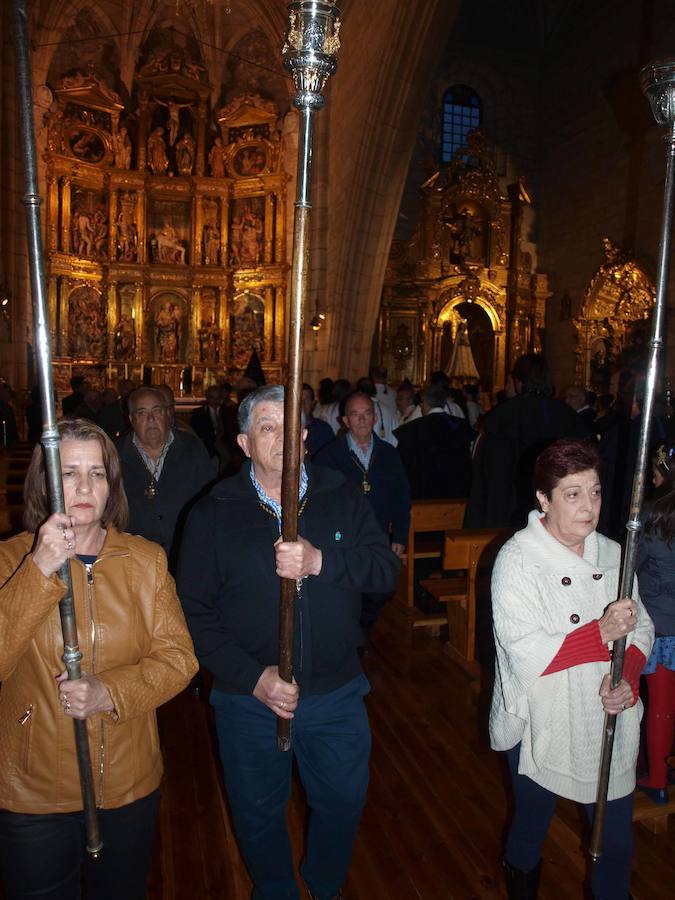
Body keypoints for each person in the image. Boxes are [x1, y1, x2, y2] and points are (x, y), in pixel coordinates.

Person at [178, 385, 400, 900]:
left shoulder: (342, 494)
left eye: (289, 427)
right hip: (248, 698)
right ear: (243, 441)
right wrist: (253, 678)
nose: (281, 438)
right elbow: (193, 613)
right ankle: (275, 889)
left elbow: (384, 569)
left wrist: (324, 563)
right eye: (266, 427)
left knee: (343, 801)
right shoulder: (212, 513)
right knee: (257, 812)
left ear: (305, 435)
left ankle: (324, 885)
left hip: (336, 691)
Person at [0, 418, 198, 900]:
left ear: (112, 485)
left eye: (96, 473)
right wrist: (40, 569)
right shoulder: (9, 561)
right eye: (68, 473)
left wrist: (110, 691)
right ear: (45, 482)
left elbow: (179, 659)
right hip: (34, 789)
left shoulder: (145, 561)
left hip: (127, 781)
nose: (84, 487)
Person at [490, 439, 653, 899]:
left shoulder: (613, 552)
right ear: (543, 499)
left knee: (614, 843)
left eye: (596, 492)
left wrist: (628, 677)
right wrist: (599, 632)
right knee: (531, 826)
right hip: (541, 719)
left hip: (605, 716)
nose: (589, 506)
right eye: (573, 493)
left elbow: (641, 626)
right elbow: (524, 652)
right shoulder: (518, 560)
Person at [315, 390, 410, 635]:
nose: (362, 420)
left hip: (379, 534)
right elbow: (320, 501)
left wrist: (400, 535)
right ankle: (350, 639)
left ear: (375, 418)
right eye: (355, 415)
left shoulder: (389, 453)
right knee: (348, 591)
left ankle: (361, 629)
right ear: (345, 421)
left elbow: (401, 495)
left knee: (380, 590)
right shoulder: (329, 455)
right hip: (344, 537)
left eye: (367, 414)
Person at [465, 353, 590, 529]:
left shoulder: (503, 416)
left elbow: (489, 476)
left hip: (508, 515)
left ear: (519, 382)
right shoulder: (567, 416)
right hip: (558, 516)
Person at [116, 387, 213, 571]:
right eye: (142, 413)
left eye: (157, 411)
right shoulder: (115, 454)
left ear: (168, 414)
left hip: (186, 559)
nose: (150, 419)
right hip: (134, 563)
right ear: (131, 419)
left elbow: (208, 502)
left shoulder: (192, 449)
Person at [635, 442, 675, 803]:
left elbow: (633, 563)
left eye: (655, 471)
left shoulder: (653, 513)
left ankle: (658, 777)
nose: (651, 476)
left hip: (662, 623)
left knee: (660, 704)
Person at [394, 382, 473, 500]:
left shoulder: (413, 429)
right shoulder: (459, 426)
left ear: (424, 403)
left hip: (422, 496)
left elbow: (402, 465)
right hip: (456, 495)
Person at [301, 383, 334, 459]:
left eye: (307, 399)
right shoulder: (284, 430)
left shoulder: (324, 430)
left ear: (313, 403)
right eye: (299, 399)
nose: (302, 403)